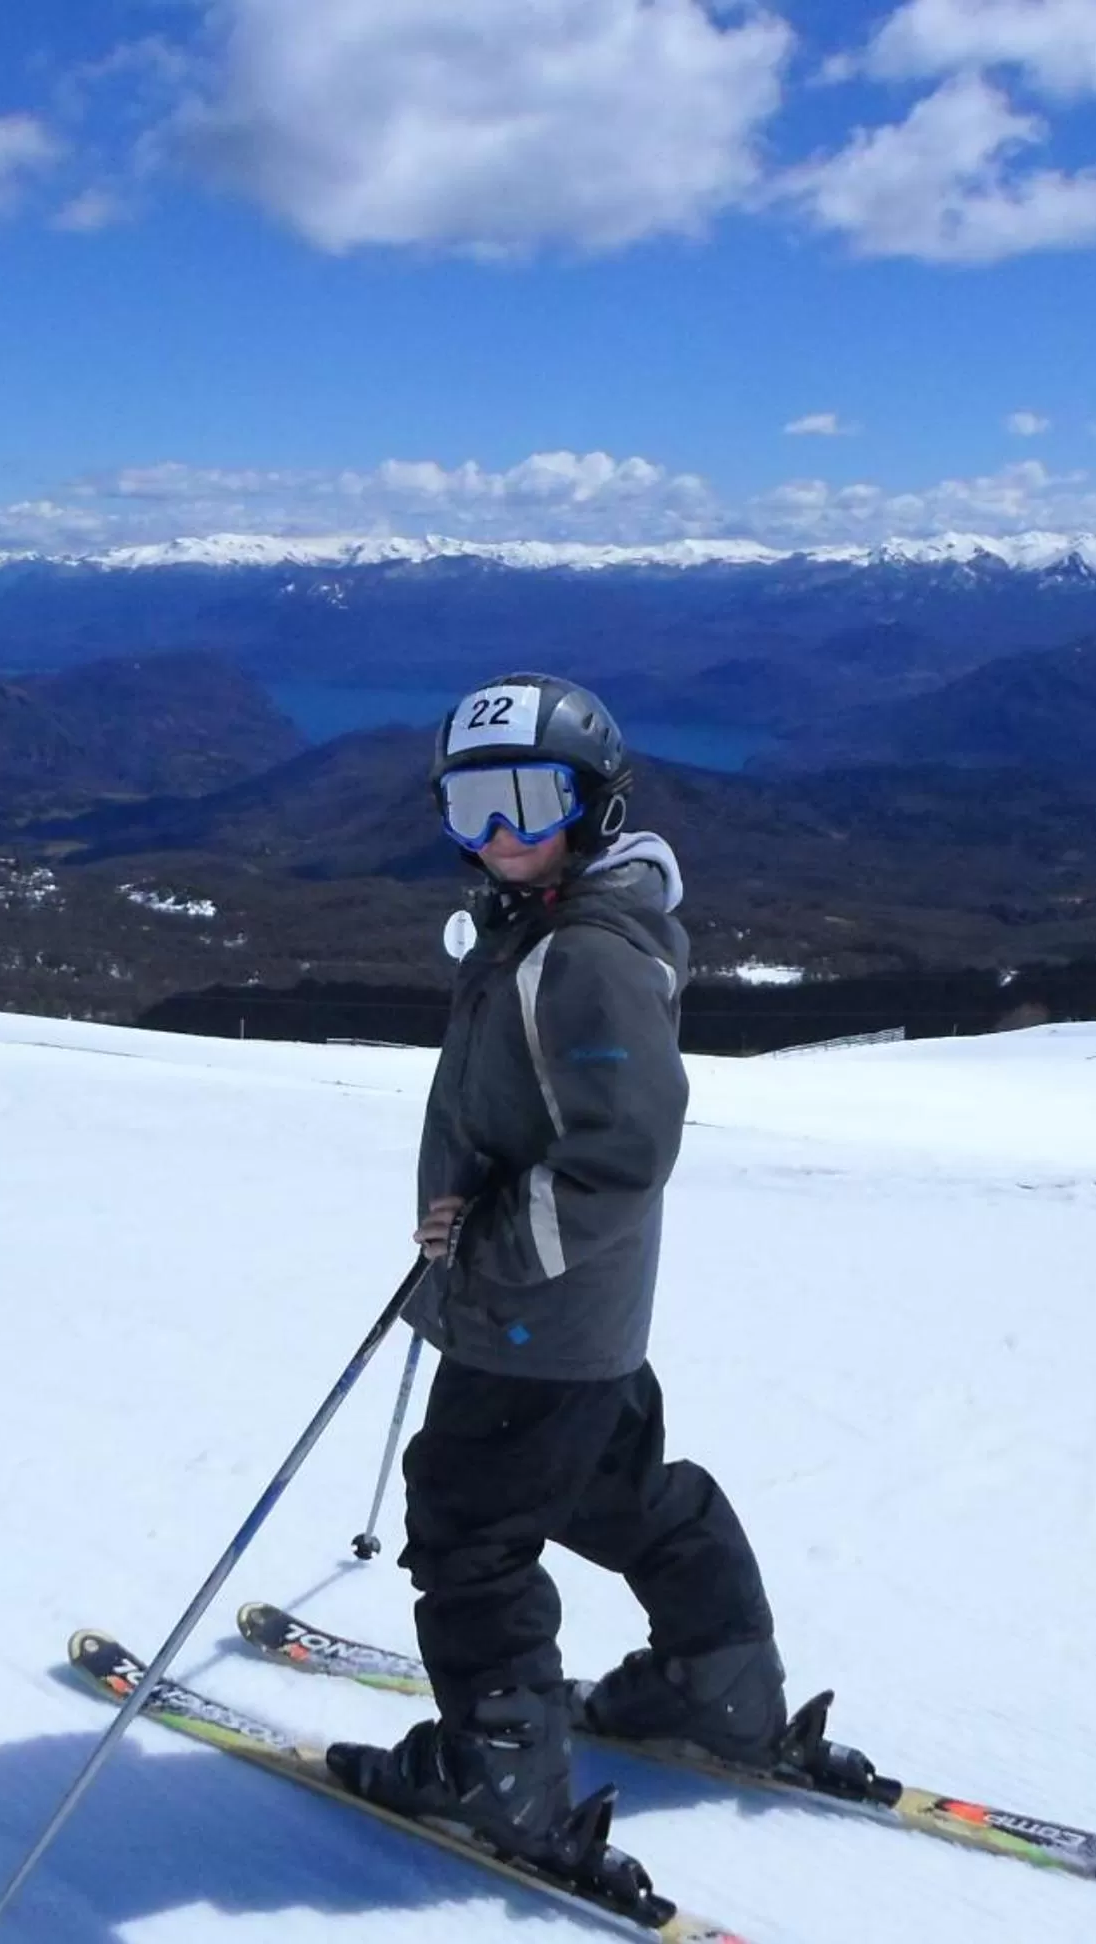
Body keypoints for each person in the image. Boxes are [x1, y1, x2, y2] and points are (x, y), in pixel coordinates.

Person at [327, 672, 788, 1863]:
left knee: (468, 1526)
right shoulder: (548, 927)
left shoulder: (580, 955)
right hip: (587, 1312)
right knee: (611, 1489)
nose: (499, 834)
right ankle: (718, 1681)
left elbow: (621, 1152)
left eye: (531, 801)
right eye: (470, 805)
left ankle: (501, 1772)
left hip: (530, 1310)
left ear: (596, 805)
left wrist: (485, 1242)